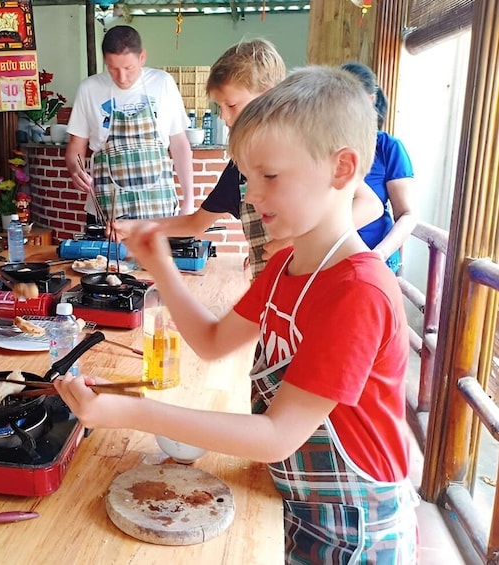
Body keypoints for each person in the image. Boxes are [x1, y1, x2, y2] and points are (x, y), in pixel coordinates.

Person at [55, 67, 418, 561]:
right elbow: (212, 340)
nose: (251, 195)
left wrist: (132, 412)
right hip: (296, 501)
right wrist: (162, 266)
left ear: (341, 169)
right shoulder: (287, 265)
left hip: (357, 530)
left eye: (269, 176)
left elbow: (277, 436)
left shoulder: (357, 291)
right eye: (248, 178)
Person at [112, 40, 383, 279]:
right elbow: (195, 224)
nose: (224, 117)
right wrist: (136, 226)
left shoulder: (307, 149)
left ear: (268, 96)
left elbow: (371, 205)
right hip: (269, 293)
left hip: (317, 290)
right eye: (219, 107)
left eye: (232, 105)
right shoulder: (238, 168)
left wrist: (291, 239)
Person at [65, 25, 194, 223]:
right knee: (102, 256)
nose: (122, 78)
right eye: (113, 69)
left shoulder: (163, 83)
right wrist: (75, 169)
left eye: (128, 68)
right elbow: (76, 147)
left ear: (142, 57)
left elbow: (179, 144)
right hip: (107, 209)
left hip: (159, 208)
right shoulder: (89, 89)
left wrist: (189, 201)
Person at [341, 61, 415, 273]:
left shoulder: (388, 148)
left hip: (374, 257)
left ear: (370, 100)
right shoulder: (326, 146)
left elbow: (407, 215)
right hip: (330, 255)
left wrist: (379, 254)